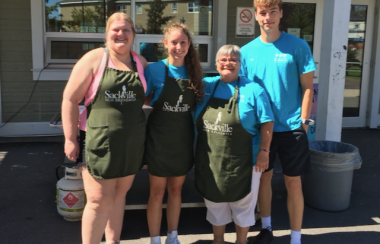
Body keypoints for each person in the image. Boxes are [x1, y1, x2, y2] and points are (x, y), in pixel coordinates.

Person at [61, 12, 148, 244]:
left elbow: (146, 97)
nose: (121, 34)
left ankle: (113, 241)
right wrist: (70, 139)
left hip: (131, 141)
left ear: (133, 34)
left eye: (126, 29)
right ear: (107, 34)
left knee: (119, 197)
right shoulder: (95, 58)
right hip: (99, 141)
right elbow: (70, 99)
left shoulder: (141, 62)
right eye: (116, 29)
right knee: (99, 200)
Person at [240, 1, 317, 243]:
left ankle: (296, 237)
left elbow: (308, 87)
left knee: (293, 182)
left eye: (273, 12)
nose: (268, 17)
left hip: (292, 127)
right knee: (263, 178)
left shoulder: (298, 46)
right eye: (263, 12)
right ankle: (267, 228)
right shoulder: (246, 52)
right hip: (262, 130)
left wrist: (304, 122)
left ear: (281, 14)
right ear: (256, 16)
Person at [194, 44, 274, 244]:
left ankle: (241, 241)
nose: (228, 63)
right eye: (223, 59)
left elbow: (267, 121)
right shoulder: (206, 86)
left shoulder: (254, 89)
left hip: (246, 159)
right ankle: (218, 240)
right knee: (214, 201)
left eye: (233, 59)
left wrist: (264, 151)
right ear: (216, 63)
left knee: (244, 203)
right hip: (211, 158)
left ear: (240, 64)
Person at [144, 23, 203, 244]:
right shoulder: (155, 69)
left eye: (183, 42)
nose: (178, 47)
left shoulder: (195, 73)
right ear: (165, 44)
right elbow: (144, 98)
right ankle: (154, 239)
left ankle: (172, 236)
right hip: (158, 140)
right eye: (174, 42)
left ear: (189, 45)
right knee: (156, 193)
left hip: (182, 140)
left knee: (176, 190)